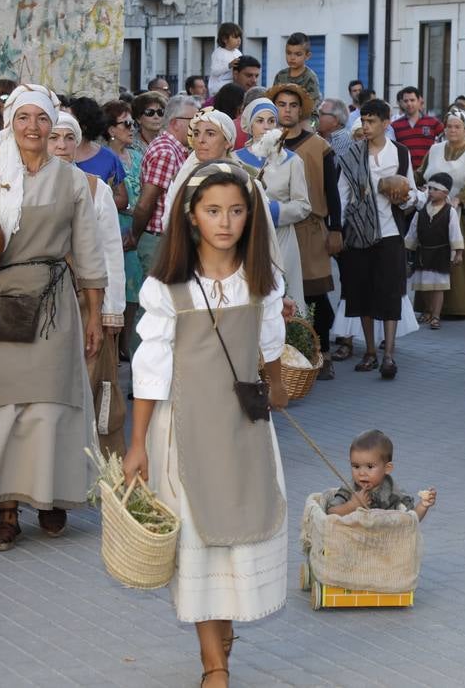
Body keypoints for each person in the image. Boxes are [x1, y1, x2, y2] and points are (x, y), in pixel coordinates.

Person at [125, 163, 288, 688]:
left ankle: (224, 634)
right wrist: (137, 445)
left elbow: (269, 350)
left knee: (240, 531)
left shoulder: (260, 280)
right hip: (182, 429)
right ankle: (212, 664)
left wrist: (279, 388)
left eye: (236, 211)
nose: (226, 222)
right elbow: (150, 372)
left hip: (244, 429)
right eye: (213, 210)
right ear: (192, 216)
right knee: (196, 537)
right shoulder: (168, 286)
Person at [0, 85, 106, 551]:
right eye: (24, 117)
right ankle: (7, 512)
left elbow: (89, 256)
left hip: (52, 305)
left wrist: (95, 316)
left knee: (47, 408)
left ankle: (49, 494)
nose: (33, 127)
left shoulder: (71, 180)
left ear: (54, 125)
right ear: (10, 122)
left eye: (42, 118)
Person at [47, 113, 128, 457]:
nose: (62, 145)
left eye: (69, 137)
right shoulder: (20, 184)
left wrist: (112, 310)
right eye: (54, 137)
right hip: (43, 299)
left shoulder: (96, 187)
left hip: (85, 300)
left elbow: (111, 250)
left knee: (89, 380)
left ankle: (87, 459)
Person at [337, 99, 422, 380]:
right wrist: (338, 229)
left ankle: (388, 355)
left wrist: (403, 195)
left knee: (389, 293)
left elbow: (410, 191)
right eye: (363, 120)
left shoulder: (400, 153)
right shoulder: (352, 154)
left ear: (386, 123)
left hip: (390, 233)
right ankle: (370, 351)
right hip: (359, 235)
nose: (366, 126)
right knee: (361, 293)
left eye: (372, 121)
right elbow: (342, 195)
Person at [272, 83, 342, 379]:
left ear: (301, 110)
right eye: (281, 105)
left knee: (315, 295)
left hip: (311, 228)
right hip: (275, 230)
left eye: (292, 105)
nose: (286, 110)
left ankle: (322, 352)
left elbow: (332, 191)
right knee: (276, 296)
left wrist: (336, 229)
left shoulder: (318, 146)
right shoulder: (266, 144)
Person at [234, 98, 310, 314]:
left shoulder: (292, 160)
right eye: (260, 120)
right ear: (250, 125)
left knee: (283, 296)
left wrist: (273, 211)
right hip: (246, 238)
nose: (266, 126)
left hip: (281, 238)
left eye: (271, 120)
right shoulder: (235, 159)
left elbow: (303, 205)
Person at [418, 110, 465, 319]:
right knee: (429, 257)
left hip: (457, 214)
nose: (452, 130)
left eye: (458, 127)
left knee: (458, 259)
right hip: (431, 212)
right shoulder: (435, 149)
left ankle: (459, 306)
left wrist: (458, 199)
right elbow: (422, 173)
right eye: (449, 126)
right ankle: (428, 307)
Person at [127, 95, 197, 295]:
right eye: (193, 121)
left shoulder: (175, 149)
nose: (197, 127)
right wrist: (136, 236)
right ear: (175, 123)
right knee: (158, 302)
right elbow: (146, 202)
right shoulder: (166, 151)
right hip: (157, 239)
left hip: (164, 237)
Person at [103, 100, 143, 357]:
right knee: (118, 287)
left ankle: (128, 347)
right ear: (110, 129)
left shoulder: (139, 156)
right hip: (114, 225)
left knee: (136, 290)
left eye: (133, 123)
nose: (132, 128)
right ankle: (114, 348)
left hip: (138, 227)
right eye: (126, 124)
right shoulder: (101, 157)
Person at [324, 430, 436, 520]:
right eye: (356, 466)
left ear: (387, 468)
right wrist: (352, 505)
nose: (362, 473)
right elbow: (330, 513)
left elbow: (411, 521)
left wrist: (423, 506)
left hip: (383, 543)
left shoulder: (394, 494)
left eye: (370, 467)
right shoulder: (350, 489)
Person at [404, 173, 463, 329]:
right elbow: (413, 232)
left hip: (440, 254)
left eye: (435, 189)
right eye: (429, 188)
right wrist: (407, 249)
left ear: (445, 193)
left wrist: (458, 253)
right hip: (423, 253)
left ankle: (436, 316)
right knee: (424, 285)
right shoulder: (421, 211)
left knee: (438, 286)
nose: (430, 192)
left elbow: (455, 232)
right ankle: (428, 311)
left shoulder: (449, 212)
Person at [68, 97, 128, 214]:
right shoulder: (57, 154)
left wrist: (95, 200)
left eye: (71, 120)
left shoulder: (108, 158)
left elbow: (122, 199)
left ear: (84, 125)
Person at [391, 87, 442, 172]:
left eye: (412, 100)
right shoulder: (395, 126)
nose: (409, 104)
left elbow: (447, 137)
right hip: (405, 172)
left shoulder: (433, 122)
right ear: (402, 103)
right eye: (406, 101)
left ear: (419, 101)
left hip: (428, 171)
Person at [271, 32, 321, 113]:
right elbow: (273, 98)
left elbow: (314, 104)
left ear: (307, 56)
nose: (292, 58)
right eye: (289, 53)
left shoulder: (310, 77)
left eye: (298, 54)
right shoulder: (280, 75)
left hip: (304, 117)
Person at [209, 23, 243, 97]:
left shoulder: (238, 52)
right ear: (225, 39)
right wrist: (229, 65)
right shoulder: (218, 53)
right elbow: (215, 71)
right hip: (219, 89)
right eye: (235, 37)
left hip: (233, 86)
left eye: (239, 37)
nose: (239, 40)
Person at [131, 91, 167, 155]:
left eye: (160, 112)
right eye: (150, 112)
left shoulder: (169, 139)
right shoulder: (131, 143)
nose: (156, 117)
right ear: (138, 118)